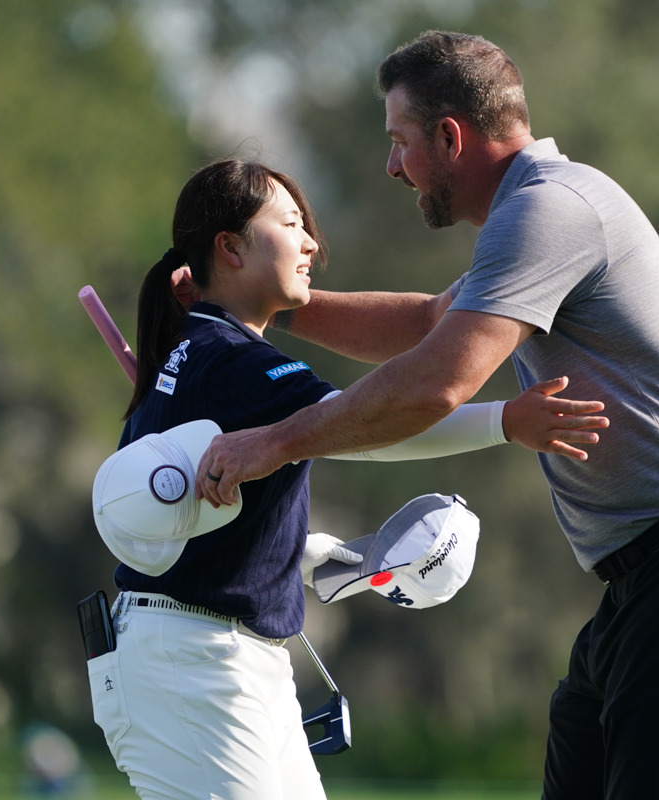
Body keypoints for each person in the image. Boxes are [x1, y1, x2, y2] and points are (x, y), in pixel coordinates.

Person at [194, 31, 659, 800]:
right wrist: (264, 303)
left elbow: (438, 381)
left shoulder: (550, 209)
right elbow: (428, 324)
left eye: (400, 142)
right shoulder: (535, 210)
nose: (393, 166)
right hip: (653, 577)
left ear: (450, 137)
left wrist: (274, 443)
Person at [87, 158, 609, 800]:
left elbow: (201, 525)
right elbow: (366, 430)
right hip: (192, 662)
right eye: (289, 224)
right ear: (230, 248)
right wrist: (505, 421)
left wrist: (306, 554)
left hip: (221, 658)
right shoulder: (233, 361)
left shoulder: (194, 354)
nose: (311, 242)